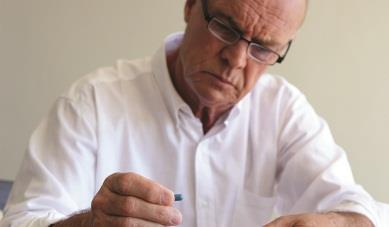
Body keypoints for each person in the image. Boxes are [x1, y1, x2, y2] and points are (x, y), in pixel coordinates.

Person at [0, 0, 380, 226]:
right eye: (226, 28)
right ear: (190, 6)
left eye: (263, 48)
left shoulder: (284, 113)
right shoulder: (91, 105)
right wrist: (87, 225)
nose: (236, 59)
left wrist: (336, 222)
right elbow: (20, 221)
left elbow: (361, 208)